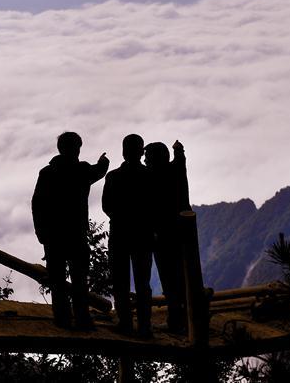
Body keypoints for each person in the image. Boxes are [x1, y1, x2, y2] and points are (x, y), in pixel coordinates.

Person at [31, 132, 109, 330]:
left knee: (57, 280)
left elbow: (37, 204)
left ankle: (62, 319)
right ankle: (83, 318)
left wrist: (41, 233)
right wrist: (103, 161)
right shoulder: (81, 171)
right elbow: (98, 171)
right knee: (79, 280)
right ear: (78, 148)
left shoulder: (47, 173)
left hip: (53, 236)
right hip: (76, 234)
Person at [102, 134, 155, 337]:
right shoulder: (150, 176)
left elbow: (107, 206)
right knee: (143, 283)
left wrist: (122, 217)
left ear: (124, 151)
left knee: (120, 282)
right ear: (141, 152)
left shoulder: (113, 177)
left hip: (119, 235)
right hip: (143, 236)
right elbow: (155, 207)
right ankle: (145, 326)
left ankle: (125, 323)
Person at [146, 140, 191, 333]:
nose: (145, 161)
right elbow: (180, 159)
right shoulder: (177, 170)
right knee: (184, 277)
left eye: (147, 157)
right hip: (183, 233)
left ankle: (175, 321)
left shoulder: (152, 177)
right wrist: (178, 149)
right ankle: (190, 318)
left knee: (169, 280)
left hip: (162, 236)